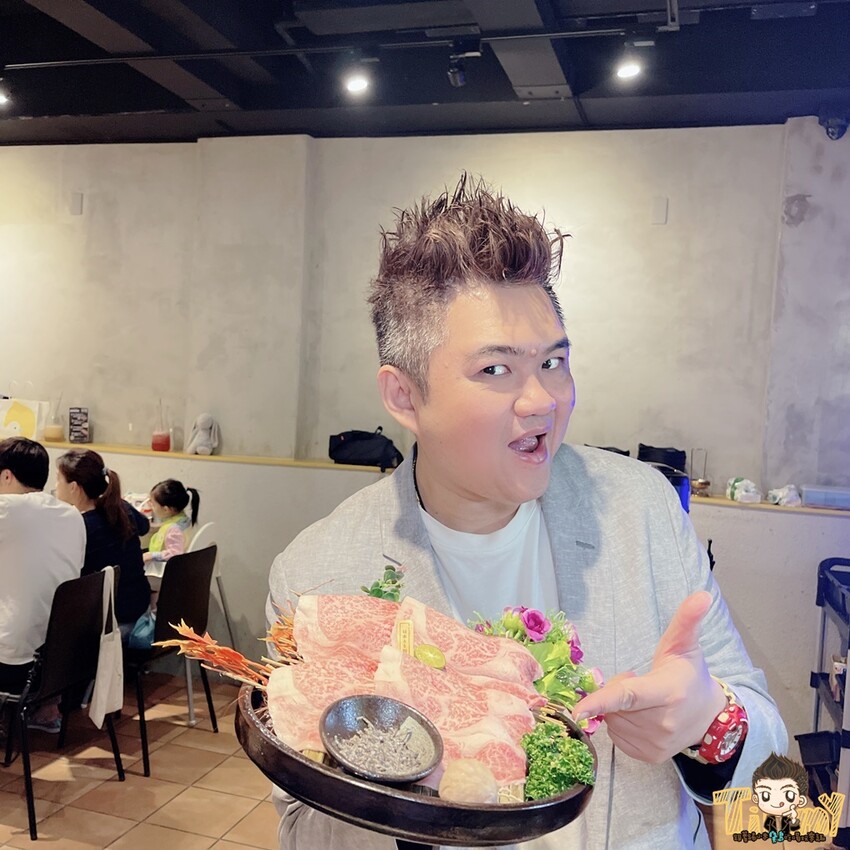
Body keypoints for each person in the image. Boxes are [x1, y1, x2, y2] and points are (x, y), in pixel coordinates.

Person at [266, 175, 786, 849]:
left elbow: (772, 762)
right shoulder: (316, 575)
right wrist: (401, 792)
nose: (543, 399)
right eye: (496, 370)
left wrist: (712, 723)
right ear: (404, 397)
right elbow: (302, 825)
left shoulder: (642, 508)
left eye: (554, 361)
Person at [0, 438, 85, 711]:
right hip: (59, 663)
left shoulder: (7, 508)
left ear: (6, 476)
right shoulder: (73, 515)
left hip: (14, 666)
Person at [55, 448, 151, 638]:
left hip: (111, 627)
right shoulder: (121, 508)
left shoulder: (80, 526)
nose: (55, 485)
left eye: (58, 479)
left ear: (73, 487)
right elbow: (145, 527)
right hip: (140, 612)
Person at [142, 479, 200, 574]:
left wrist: (151, 555)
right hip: (186, 566)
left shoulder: (173, 529)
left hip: (168, 572)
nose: (150, 506)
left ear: (166, 509)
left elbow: (175, 554)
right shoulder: (183, 519)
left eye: (153, 504)